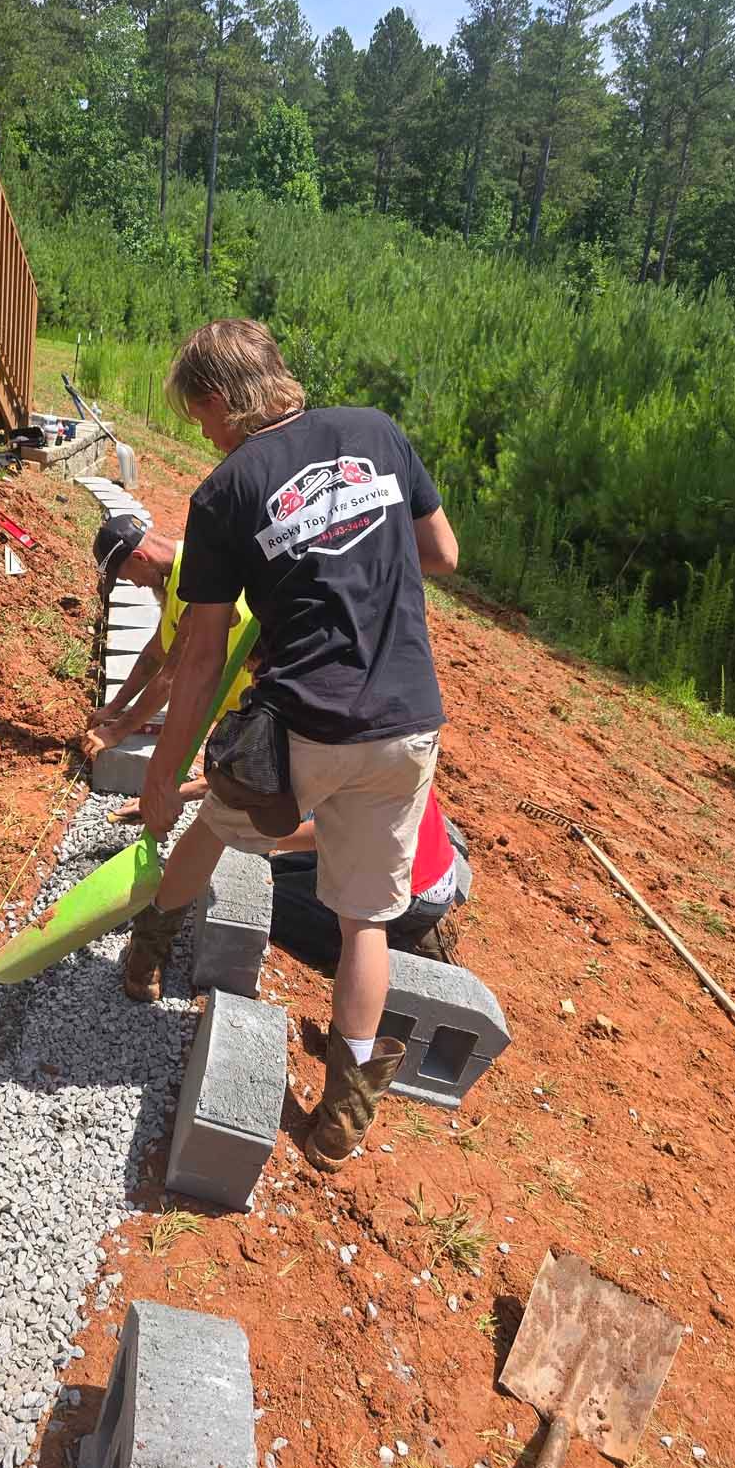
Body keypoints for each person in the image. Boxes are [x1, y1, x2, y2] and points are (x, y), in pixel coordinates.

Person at [127, 318, 459, 1173]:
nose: (200, 432)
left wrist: (165, 776)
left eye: (197, 416)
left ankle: (145, 959)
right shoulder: (376, 432)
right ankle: (342, 1118)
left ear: (217, 400)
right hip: (408, 721)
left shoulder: (225, 492)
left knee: (210, 829)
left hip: (304, 720)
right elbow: (443, 553)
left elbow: (200, 654)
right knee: (365, 920)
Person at [83, 516, 252, 760]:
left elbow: (172, 677)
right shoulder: (180, 567)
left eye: (128, 577)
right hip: (230, 709)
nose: (136, 585)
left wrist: (116, 732)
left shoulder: (199, 581)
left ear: (139, 558)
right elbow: (154, 655)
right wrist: (113, 707)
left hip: (250, 710)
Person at [268, 786, 458, 971]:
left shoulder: (353, 762)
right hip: (402, 858)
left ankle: (400, 942)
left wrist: (256, 838)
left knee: (268, 903)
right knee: (271, 873)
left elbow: (334, 832)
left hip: (410, 887)